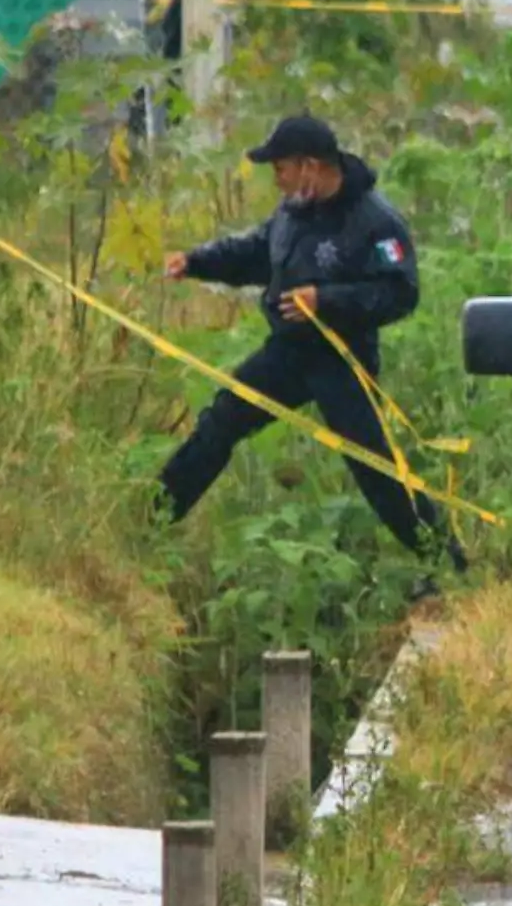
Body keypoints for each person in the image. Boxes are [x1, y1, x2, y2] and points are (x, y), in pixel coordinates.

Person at [155, 113, 468, 587]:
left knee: (375, 467)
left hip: (342, 361)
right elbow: (254, 254)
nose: (275, 180)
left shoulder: (376, 222)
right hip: (286, 355)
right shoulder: (292, 211)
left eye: (279, 169)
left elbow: (401, 293)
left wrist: (328, 301)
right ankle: (155, 516)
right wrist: (195, 262)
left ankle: (448, 562)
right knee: (221, 420)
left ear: (309, 166)